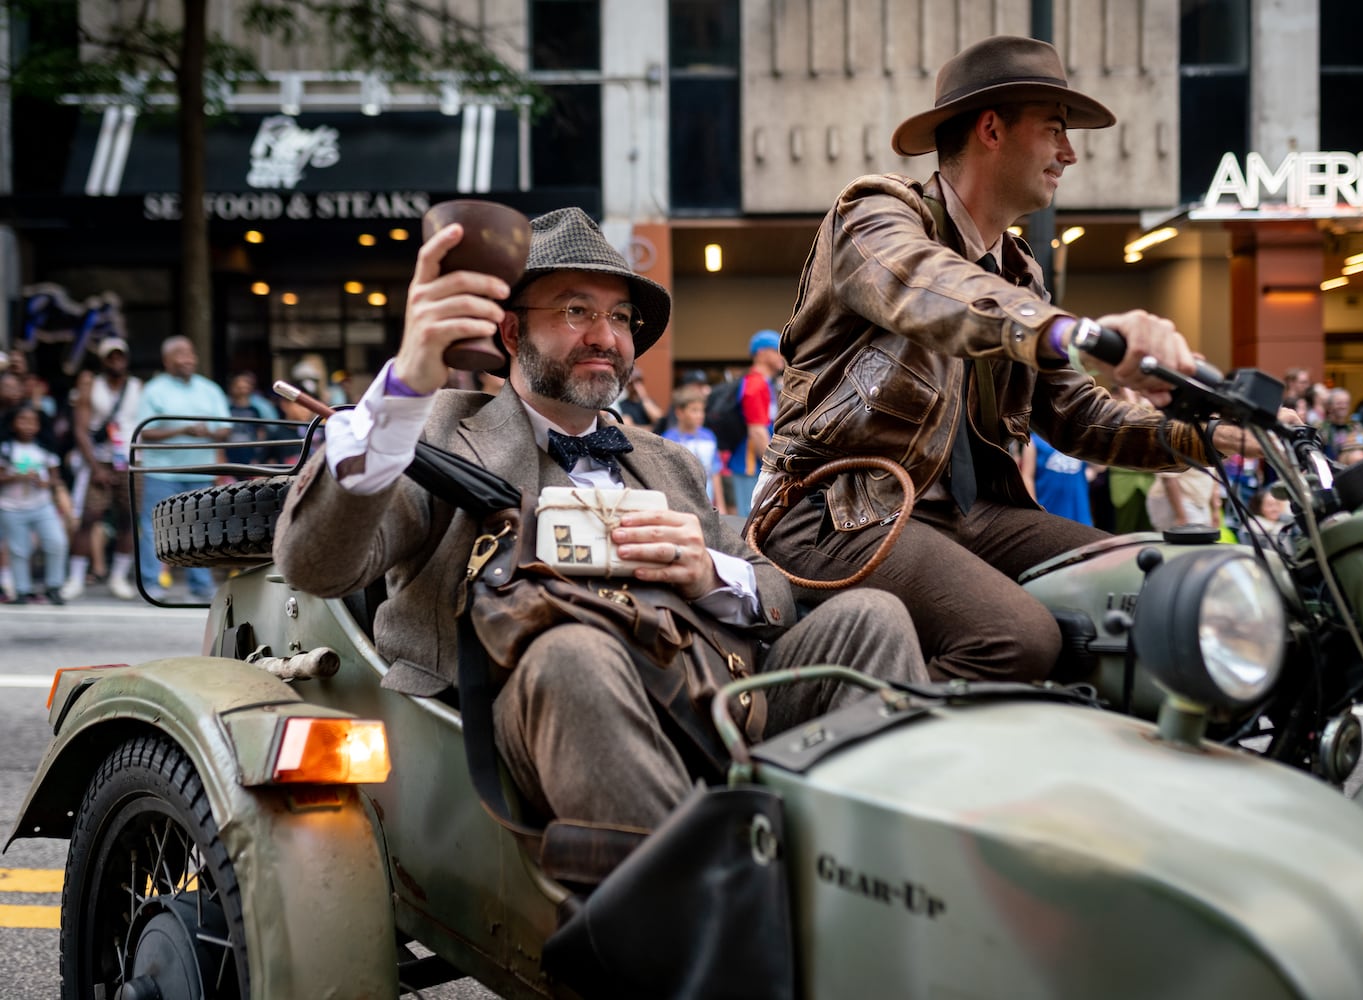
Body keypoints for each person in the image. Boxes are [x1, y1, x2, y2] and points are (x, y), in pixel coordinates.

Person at [271, 207, 927, 830]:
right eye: (574, 310)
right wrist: (408, 383)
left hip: (703, 693)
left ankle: (883, 884)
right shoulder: (437, 430)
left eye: (619, 317)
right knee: (575, 657)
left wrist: (709, 572)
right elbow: (315, 564)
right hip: (519, 721)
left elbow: (772, 589)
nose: (605, 336)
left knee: (873, 618)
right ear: (510, 333)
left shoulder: (667, 461)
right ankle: (707, 906)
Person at [752, 35, 1267, 683]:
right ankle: (884, 759)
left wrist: (1213, 439)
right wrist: (1076, 333)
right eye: (1054, 129)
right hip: (837, 513)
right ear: (991, 129)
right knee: (1015, 636)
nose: (1069, 152)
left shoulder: (1018, 273)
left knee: (1151, 587)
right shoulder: (875, 215)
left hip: (972, 516)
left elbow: (1079, 417)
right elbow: (926, 285)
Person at [135, 336, 232, 601]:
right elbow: (145, 431)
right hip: (161, 472)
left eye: (190, 353)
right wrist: (183, 429)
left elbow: (225, 427)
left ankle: (200, 586)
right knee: (155, 526)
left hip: (200, 470)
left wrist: (208, 430)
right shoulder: (154, 390)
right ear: (167, 360)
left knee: (199, 528)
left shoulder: (209, 389)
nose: (187, 358)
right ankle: (152, 582)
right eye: (179, 354)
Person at [61, 337, 142, 600]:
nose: (116, 360)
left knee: (128, 520)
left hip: (131, 460)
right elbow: (81, 430)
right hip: (100, 460)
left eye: (120, 356)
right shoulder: (91, 386)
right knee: (89, 518)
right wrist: (95, 467)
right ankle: (75, 578)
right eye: (111, 356)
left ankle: (118, 577)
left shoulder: (137, 387)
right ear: (103, 360)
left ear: (126, 359)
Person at [0, 405, 72, 605]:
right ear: (13, 424)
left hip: (41, 504)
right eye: (23, 420)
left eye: (33, 421)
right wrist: (16, 476)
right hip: (10, 506)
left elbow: (55, 478)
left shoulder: (44, 449)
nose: (28, 426)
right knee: (18, 549)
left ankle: (54, 585)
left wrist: (45, 482)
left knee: (57, 542)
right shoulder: (5, 448)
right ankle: (22, 590)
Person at [725, 330, 783, 516]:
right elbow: (757, 431)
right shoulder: (756, 384)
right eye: (777, 350)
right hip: (750, 465)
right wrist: (775, 467)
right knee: (750, 520)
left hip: (756, 464)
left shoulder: (765, 383)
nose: (782, 355)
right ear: (761, 353)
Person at [662, 385, 724, 509]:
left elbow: (715, 472)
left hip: (707, 500)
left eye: (702, 410)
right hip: (679, 503)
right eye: (694, 410)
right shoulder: (668, 439)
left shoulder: (709, 436)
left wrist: (721, 505)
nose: (700, 415)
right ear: (679, 412)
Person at [1019, 435, 1091, 527]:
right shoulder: (1034, 441)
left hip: (1078, 508)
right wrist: (1034, 507)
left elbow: (1099, 467)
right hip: (1047, 504)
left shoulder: (1080, 440)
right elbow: (1027, 476)